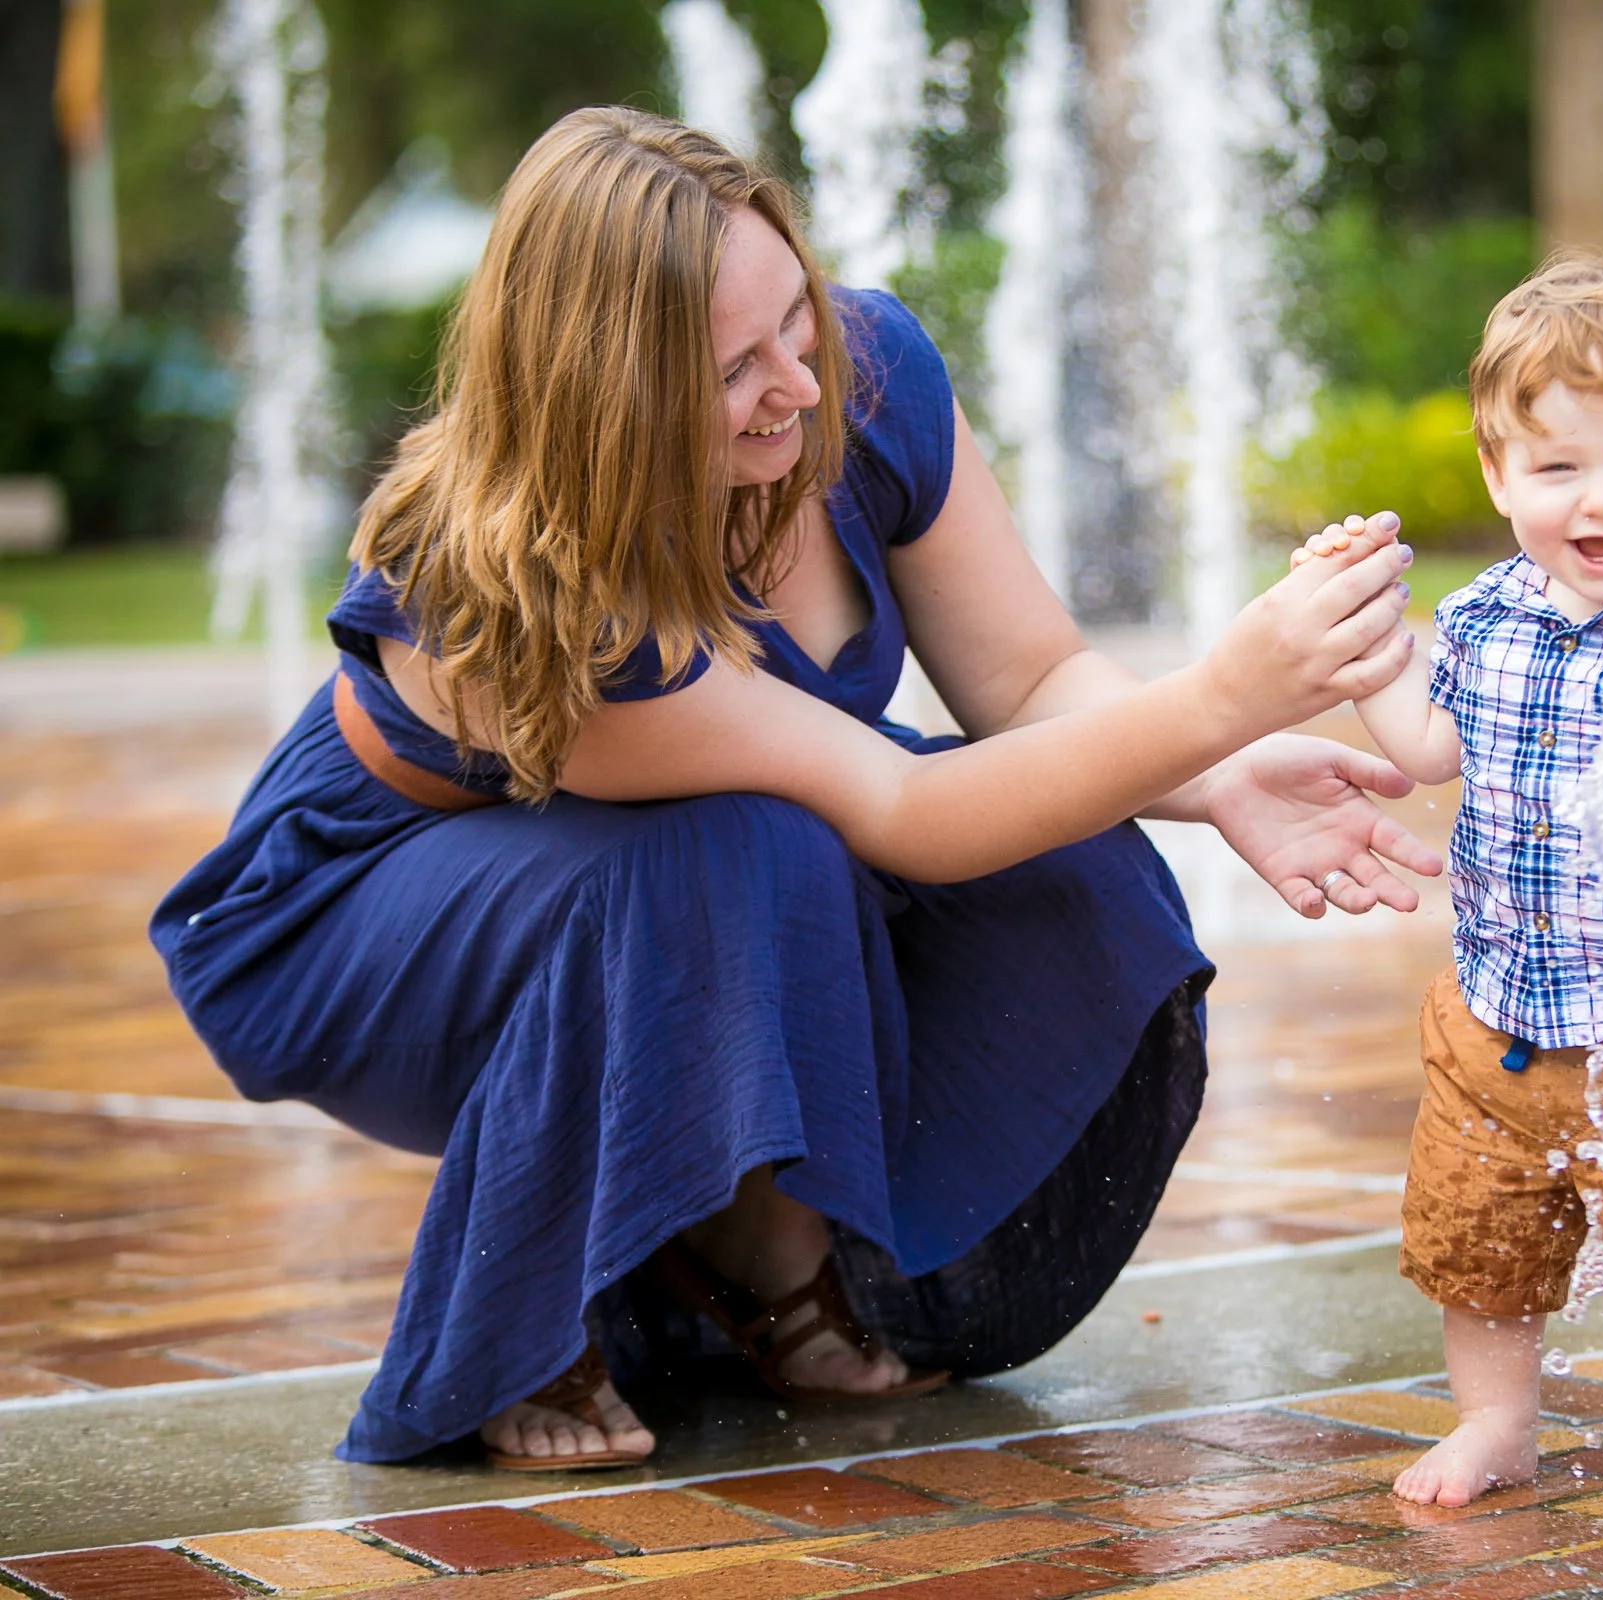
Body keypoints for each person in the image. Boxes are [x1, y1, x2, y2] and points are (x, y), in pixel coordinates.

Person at [150, 107, 1441, 1470]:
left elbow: (1034, 681)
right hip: (352, 921)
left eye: (797, 322)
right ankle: (557, 1311)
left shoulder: (864, 373)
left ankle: (741, 1247)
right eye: (735, 367)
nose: (802, 386)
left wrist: (1220, 766)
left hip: (637, 884)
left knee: (1060, 852)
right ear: (612, 401)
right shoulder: (543, 597)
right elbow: (907, 817)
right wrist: (1226, 690)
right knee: (745, 849)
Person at [1293, 255, 1603, 1521]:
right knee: (1480, 1242)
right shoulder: (1485, 617)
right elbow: (1427, 751)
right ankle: (1497, 1417)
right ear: (1499, 475)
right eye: (1560, 469)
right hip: (1497, 1024)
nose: (1602, 499)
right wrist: (1368, 651)